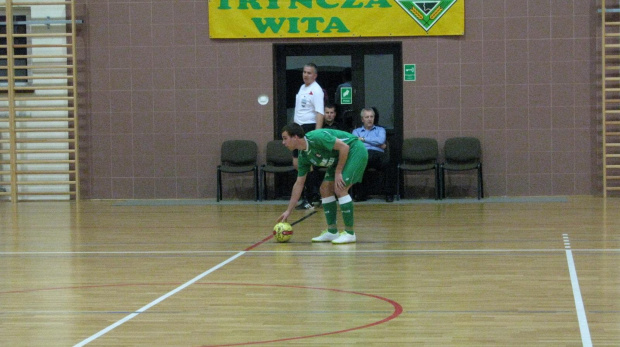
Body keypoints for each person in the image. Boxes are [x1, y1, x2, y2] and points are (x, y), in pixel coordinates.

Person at [277, 124, 368, 244]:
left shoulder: (317, 137)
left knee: (340, 188)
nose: (283, 142)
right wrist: (288, 210)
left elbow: (344, 147)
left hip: (354, 151)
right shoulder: (303, 155)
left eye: (285, 138)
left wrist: (338, 172)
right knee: (325, 189)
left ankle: (350, 233)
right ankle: (332, 231)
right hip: (338, 159)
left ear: (295, 137)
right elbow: (299, 184)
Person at [293, 63, 325, 210]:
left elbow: (320, 112)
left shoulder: (316, 90)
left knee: (308, 165)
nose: (306, 75)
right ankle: (312, 194)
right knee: (296, 163)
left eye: (309, 73)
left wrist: (316, 135)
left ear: (315, 75)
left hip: (309, 128)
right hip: (298, 128)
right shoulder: (302, 87)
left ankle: (311, 198)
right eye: (304, 72)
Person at [351, 107, 393, 202]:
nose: (369, 119)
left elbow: (381, 140)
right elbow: (355, 144)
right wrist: (376, 143)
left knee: (388, 165)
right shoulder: (356, 131)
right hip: (363, 155)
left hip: (378, 156)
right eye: (367, 117)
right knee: (357, 165)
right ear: (362, 119)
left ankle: (389, 194)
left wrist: (364, 140)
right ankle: (361, 194)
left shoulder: (380, 130)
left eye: (371, 116)